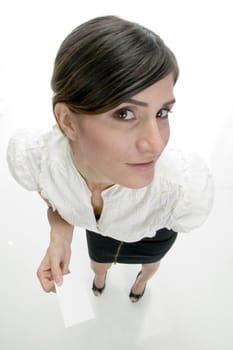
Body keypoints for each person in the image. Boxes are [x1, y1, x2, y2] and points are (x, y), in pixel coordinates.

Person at [7, 15, 214, 303]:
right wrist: (60, 234)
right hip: (100, 238)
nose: (156, 144)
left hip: (152, 239)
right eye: (125, 113)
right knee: (98, 264)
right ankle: (100, 279)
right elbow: (52, 194)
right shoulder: (38, 159)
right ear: (68, 122)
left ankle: (141, 282)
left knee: (150, 265)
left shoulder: (181, 188)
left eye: (162, 113)